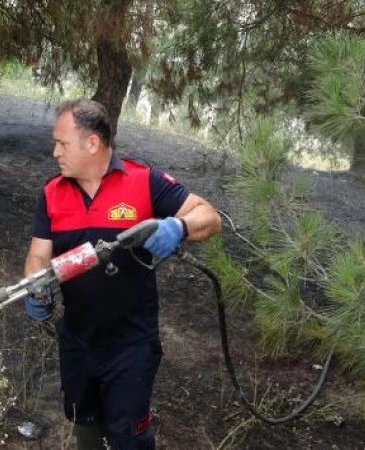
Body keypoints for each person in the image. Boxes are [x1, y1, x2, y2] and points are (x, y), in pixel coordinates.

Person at [24, 99, 221, 449]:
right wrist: (36, 286)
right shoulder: (52, 193)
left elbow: (210, 216)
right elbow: (39, 255)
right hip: (77, 340)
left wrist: (179, 226)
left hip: (131, 345)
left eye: (62, 143)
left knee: (129, 435)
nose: (55, 151)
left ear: (92, 143)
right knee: (84, 426)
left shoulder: (144, 182)